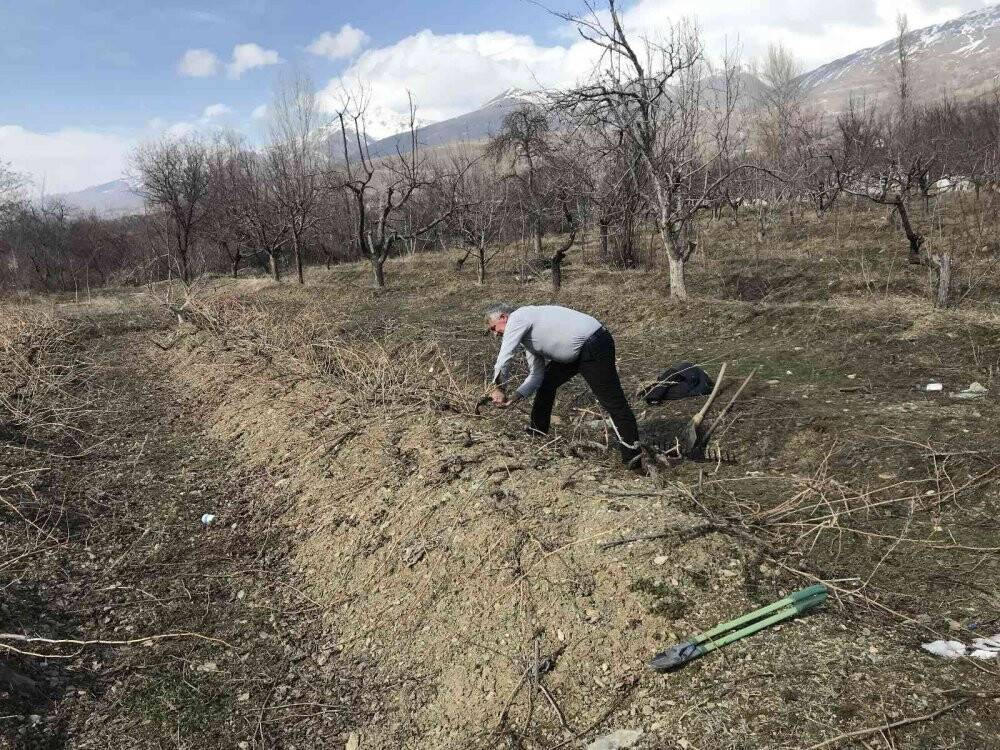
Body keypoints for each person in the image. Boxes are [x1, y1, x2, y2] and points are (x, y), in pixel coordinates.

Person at [485, 302, 641, 467]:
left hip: (594, 344)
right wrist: (514, 398)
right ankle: (537, 435)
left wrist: (499, 388)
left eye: (494, 328)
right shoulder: (527, 338)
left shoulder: (518, 318)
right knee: (546, 383)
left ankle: (633, 461)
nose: (496, 334)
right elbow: (536, 375)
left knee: (614, 403)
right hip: (578, 351)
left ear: (503, 317)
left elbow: (504, 357)